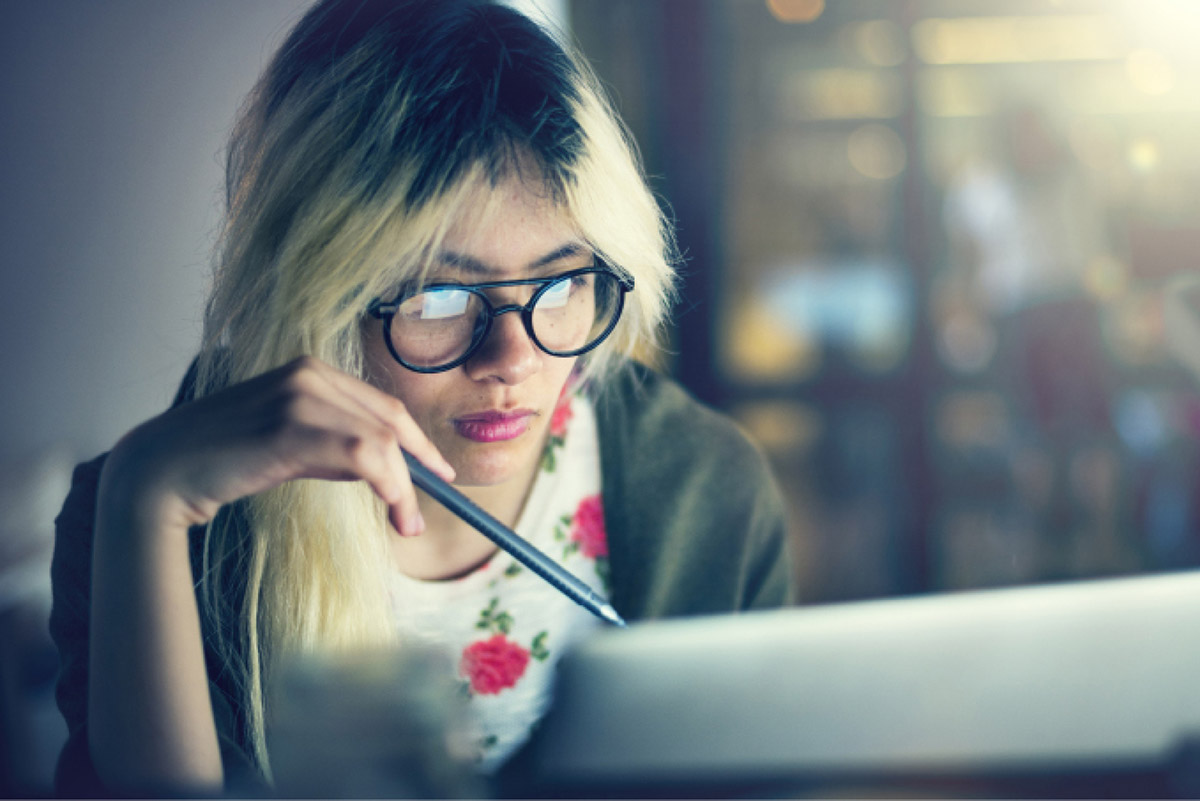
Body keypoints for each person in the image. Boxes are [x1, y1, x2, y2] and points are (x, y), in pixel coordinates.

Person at [49, 0, 794, 795]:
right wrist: (145, 502)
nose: (512, 359)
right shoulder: (138, 518)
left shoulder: (705, 486)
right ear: (314, 294)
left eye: (563, 282)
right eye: (437, 297)